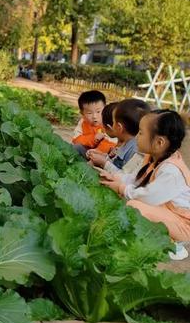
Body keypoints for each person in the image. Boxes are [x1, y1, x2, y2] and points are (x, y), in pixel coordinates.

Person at [100, 110, 190, 260]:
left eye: (141, 133)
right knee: (128, 199)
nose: (136, 137)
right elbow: (136, 179)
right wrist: (115, 177)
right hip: (166, 210)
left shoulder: (172, 171)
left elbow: (148, 198)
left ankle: (174, 244)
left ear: (159, 142)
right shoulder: (154, 157)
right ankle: (153, 236)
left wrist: (121, 188)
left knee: (135, 206)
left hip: (183, 225)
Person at [88, 99, 150, 175]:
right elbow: (116, 164)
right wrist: (104, 157)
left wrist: (104, 163)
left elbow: (125, 177)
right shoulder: (126, 143)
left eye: (113, 122)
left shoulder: (135, 150)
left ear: (119, 127)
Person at [72, 90, 116, 157]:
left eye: (98, 112)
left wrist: (98, 152)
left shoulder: (109, 122)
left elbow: (112, 142)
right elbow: (76, 140)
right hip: (88, 153)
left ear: (105, 109)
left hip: (104, 155)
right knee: (75, 147)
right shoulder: (83, 122)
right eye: (89, 113)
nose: (94, 116)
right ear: (82, 113)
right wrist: (93, 139)